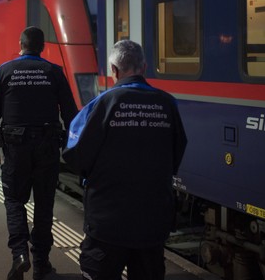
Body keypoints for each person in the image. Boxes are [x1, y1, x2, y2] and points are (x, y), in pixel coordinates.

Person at [62, 40, 186, 280]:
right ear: (145, 67)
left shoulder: (101, 104)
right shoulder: (167, 103)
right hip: (153, 221)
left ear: (114, 70)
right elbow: (177, 151)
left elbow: (75, 155)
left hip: (108, 222)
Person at [0, 26, 78, 280]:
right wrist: (73, 150)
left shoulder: (4, 71)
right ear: (42, 47)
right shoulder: (54, 72)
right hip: (47, 146)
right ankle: (41, 263)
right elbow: (71, 114)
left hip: (15, 147)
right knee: (44, 205)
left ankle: (19, 254)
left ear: (20, 44)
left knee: (14, 201)